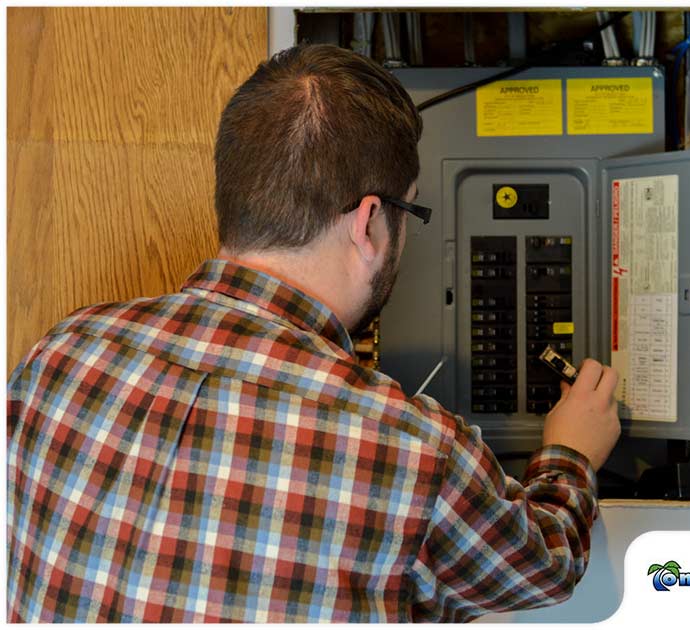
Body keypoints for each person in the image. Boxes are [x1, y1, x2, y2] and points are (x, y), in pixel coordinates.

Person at [6, 44, 620, 623]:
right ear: (370, 221)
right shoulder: (414, 450)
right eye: (412, 212)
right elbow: (545, 566)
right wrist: (573, 452)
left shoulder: (61, 355)